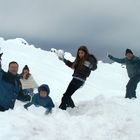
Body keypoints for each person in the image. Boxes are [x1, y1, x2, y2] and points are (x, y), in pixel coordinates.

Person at [58, 46, 97, 110]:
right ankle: (72, 107)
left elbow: (94, 67)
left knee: (66, 95)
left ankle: (62, 109)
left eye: (82, 53)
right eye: (79, 53)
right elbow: (71, 65)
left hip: (80, 80)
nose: (80, 54)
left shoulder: (89, 58)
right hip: (75, 78)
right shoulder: (79, 60)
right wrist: (63, 59)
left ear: (85, 53)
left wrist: (89, 65)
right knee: (67, 94)